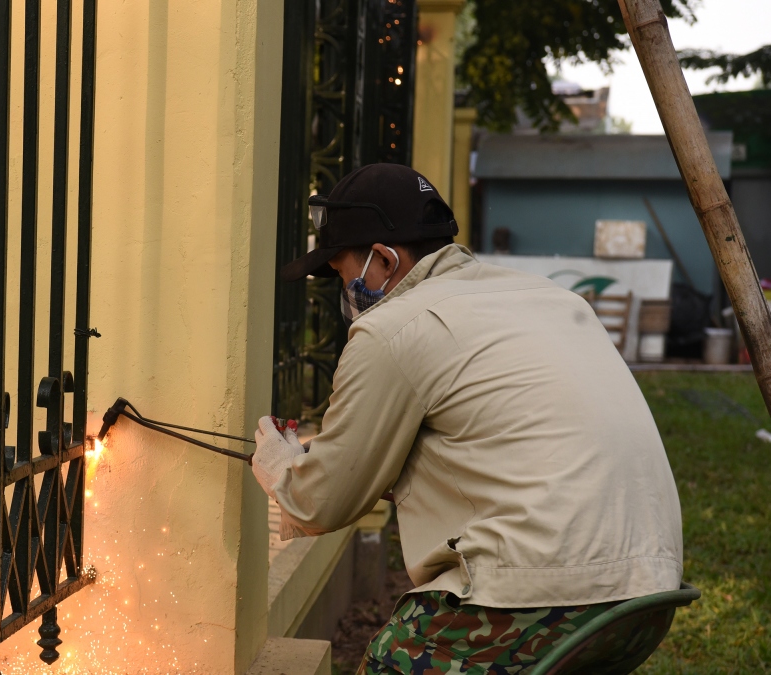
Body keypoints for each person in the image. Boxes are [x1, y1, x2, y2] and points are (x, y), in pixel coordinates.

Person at [252, 163, 682, 674]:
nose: (346, 296)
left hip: (547, 602)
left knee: (393, 661)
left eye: (347, 277)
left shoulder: (392, 330)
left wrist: (281, 466)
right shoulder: (549, 298)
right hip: (647, 599)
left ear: (385, 261)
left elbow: (320, 501)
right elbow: (507, 441)